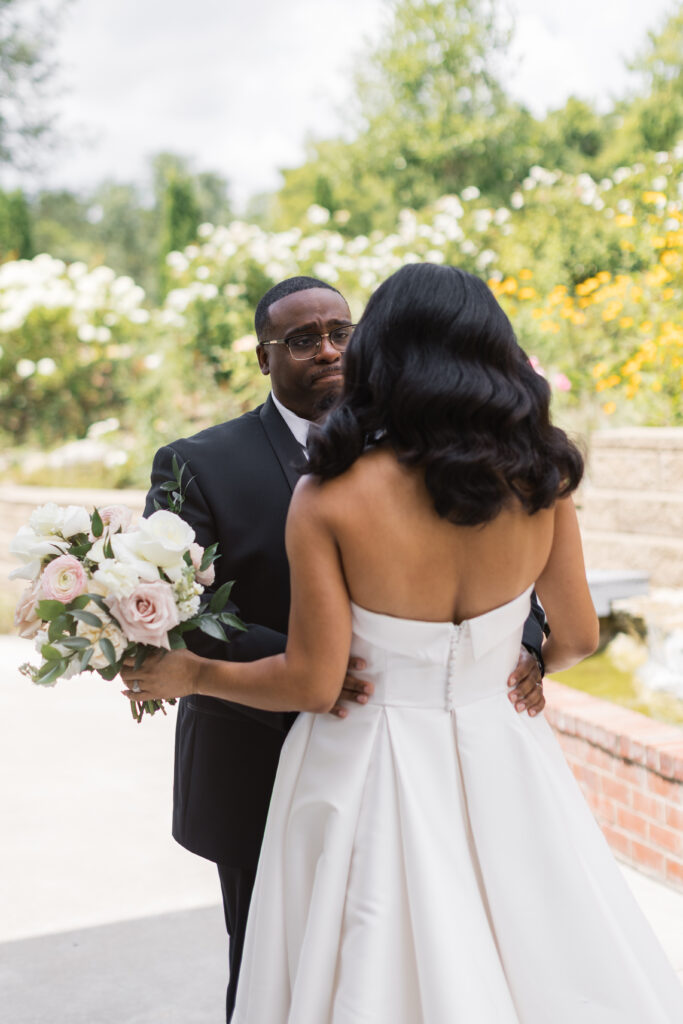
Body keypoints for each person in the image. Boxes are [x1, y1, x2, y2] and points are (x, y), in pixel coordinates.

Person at [142, 274, 547, 1021]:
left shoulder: (428, 449)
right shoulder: (197, 462)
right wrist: (319, 669)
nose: (328, 350)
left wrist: (523, 642)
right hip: (254, 754)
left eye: (340, 332)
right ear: (263, 357)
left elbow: (488, 560)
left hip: (424, 757)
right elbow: (178, 612)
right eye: (302, 339)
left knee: (434, 958)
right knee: (271, 968)